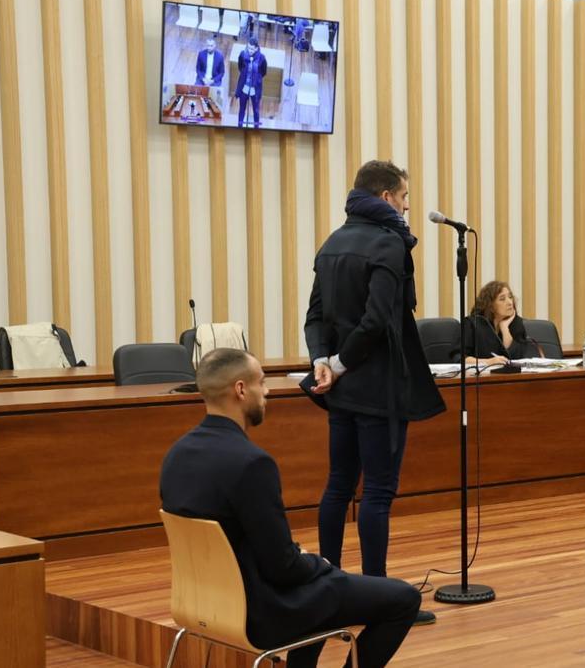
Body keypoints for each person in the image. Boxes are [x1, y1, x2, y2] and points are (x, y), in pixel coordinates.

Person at [160, 349, 420, 668]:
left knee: (322, 592)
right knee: (403, 598)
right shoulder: (252, 463)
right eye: (262, 382)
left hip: (202, 605)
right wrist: (321, 564)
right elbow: (282, 568)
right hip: (259, 613)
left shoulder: (177, 454)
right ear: (241, 390)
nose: (267, 392)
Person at [304, 160, 445, 626]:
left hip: (340, 391)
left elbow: (315, 317)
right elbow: (380, 320)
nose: (407, 207)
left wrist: (323, 362)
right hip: (379, 386)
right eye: (405, 197)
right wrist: (340, 364)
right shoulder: (388, 244)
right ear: (387, 197)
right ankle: (380, 601)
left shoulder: (332, 244)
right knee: (378, 494)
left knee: (338, 485)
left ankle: (325, 590)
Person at [457, 281, 541, 366]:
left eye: (510, 297)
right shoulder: (472, 324)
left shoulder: (516, 324)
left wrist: (505, 329)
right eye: (502, 299)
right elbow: (459, 358)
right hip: (478, 377)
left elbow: (517, 358)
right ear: (490, 306)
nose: (509, 302)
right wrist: (488, 362)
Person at [236, 38, 267, 127]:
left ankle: (256, 128)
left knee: (256, 110)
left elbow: (263, 72)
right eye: (249, 48)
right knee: (242, 108)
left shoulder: (261, 58)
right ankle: (239, 127)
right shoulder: (242, 54)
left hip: (255, 88)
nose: (250, 50)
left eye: (252, 49)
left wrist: (256, 80)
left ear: (256, 48)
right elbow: (240, 67)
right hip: (244, 86)